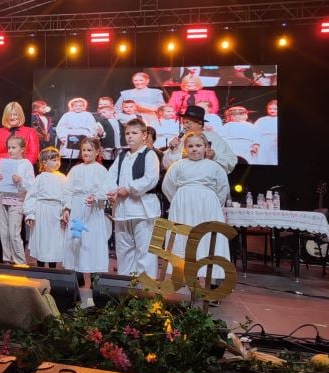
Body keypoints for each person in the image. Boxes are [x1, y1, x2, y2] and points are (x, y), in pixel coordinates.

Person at [161, 131, 231, 281]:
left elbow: (222, 188)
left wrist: (213, 205)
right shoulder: (178, 165)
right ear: (185, 148)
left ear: (206, 147)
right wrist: (178, 201)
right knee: (183, 238)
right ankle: (183, 275)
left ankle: (209, 277)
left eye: (198, 146)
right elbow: (168, 186)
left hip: (207, 208)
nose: (194, 149)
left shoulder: (214, 167)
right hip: (183, 208)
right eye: (190, 146)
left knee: (207, 239)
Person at [106, 119, 160, 278]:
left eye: (134, 133)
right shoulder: (122, 156)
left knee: (145, 251)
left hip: (143, 211)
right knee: (124, 251)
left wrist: (128, 189)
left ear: (144, 135)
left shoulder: (149, 154)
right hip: (123, 211)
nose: (130, 136)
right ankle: (125, 285)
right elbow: (110, 177)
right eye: (127, 133)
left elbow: (150, 179)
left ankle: (145, 288)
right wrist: (112, 191)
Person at [62, 137, 114, 276]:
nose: (86, 153)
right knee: (76, 240)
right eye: (84, 150)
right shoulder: (75, 169)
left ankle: (94, 278)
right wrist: (67, 208)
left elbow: (107, 188)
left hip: (93, 209)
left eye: (89, 150)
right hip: (77, 208)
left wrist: (96, 197)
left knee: (92, 241)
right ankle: (76, 275)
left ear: (97, 152)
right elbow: (68, 190)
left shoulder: (101, 170)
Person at [0, 136, 35, 265]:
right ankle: (7, 259)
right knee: (4, 233)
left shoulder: (26, 164)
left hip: (17, 202)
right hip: (3, 200)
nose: (10, 150)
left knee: (14, 233)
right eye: (9, 148)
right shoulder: (5, 162)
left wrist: (20, 181)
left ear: (22, 149)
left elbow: (31, 185)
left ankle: (20, 261)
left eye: (13, 147)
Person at [24, 147, 67, 268]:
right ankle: (41, 267)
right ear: (44, 162)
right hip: (42, 212)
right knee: (42, 239)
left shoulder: (62, 178)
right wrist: (30, 214)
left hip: (56, 212)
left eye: (58, 160)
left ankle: (52, 268)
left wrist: (65, 210)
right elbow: (32, 196)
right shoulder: (40, 178)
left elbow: (66, 195)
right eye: (53, 160)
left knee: (54, 240)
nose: (57, 162)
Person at [162, 106, 237, 174]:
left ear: (200, 124)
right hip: (184, 179)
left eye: (187, 123)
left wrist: (214, 157)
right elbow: (166, 165)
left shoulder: (213, 137)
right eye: (183, 123)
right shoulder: (182, 139)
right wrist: (173, 150)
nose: (184, 126)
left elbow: (230, 161)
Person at [0, 101, 39, 175]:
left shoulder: (30, 131)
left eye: (15, 114)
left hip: (22, 174)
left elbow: (33, 154)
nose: (12, 117)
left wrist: (21, 170)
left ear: (20, 115)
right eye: (9, 115)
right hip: (1, 173)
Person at [55, 97, 98, 169]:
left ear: (84, 107)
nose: (78, 107)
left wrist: (91, 137)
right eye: (76, 106)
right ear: (72, 107)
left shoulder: (88, 115)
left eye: (80, 106)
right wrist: (62, 137)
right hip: (70, 136)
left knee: (82, 155)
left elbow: (93, 127)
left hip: (84, 136)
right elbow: (61, 127)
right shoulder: (67, 115)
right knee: (69, 157)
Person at [95, 97, 126, 168]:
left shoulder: (118, 120)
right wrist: (100, 133)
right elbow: (99, 133)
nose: (102, 114)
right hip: (107, 145)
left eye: (104, 112)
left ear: (112, 111)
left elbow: (121, 131)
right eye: (101, 113)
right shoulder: (101, 121)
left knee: (118, 160)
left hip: (118, 144)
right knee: (107, 160)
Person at [254, 99, 278, 165]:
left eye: (275, 109)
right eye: (270, 109)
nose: (272, 111)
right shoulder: (261, 120)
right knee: (263, 159)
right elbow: (256, 132)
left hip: (276, 142)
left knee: (274, 159)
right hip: (264, 142)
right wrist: (256, 143)